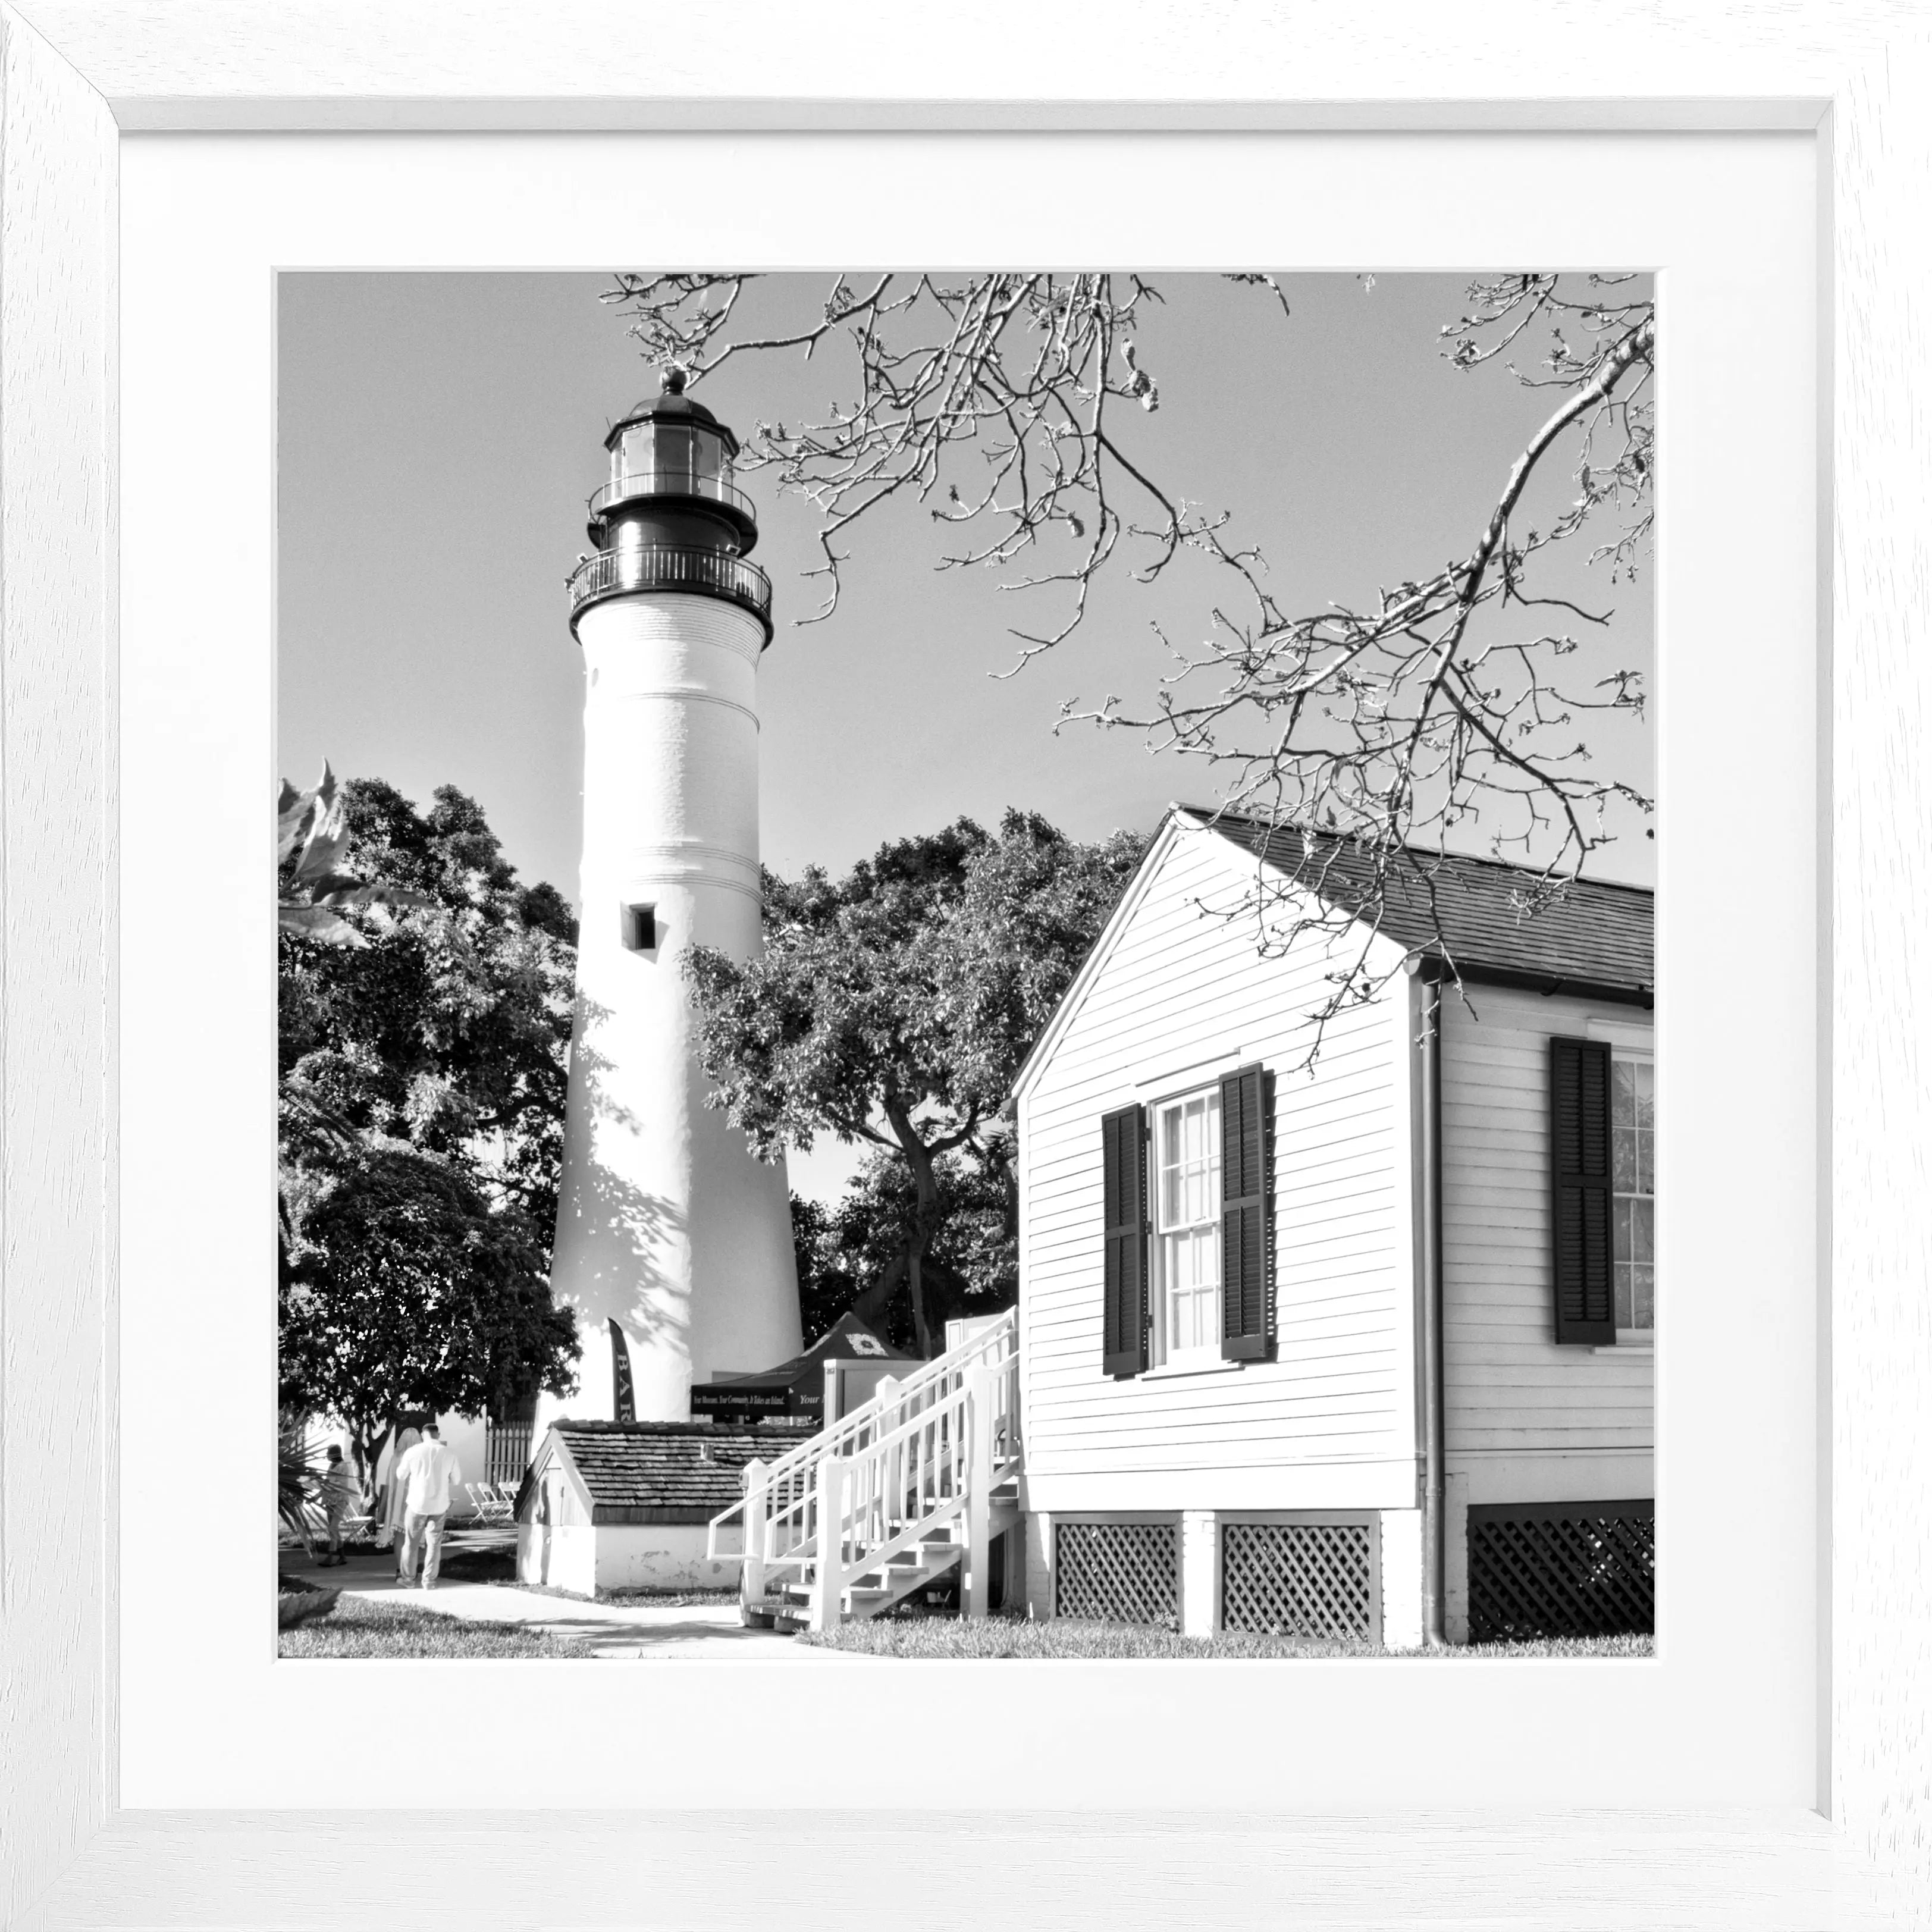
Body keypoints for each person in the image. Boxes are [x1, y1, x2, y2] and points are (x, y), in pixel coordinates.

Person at [392, 1420, 463, 1589]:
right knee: (434, 1544)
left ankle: (408, 1579)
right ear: (438, 1435)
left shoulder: (413, 1451)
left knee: (411, 1543)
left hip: (417, 1504)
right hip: (439, 1505)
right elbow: (456, 1480)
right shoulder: (450, 1453)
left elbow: (401, 1475)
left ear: (423, 1435)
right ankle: (429, 1581)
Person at [378, 1423, 420, 1567]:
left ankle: (400, 1568)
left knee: (399, 1535)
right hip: (414, 1500)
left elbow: (390, 1480)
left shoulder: (395, 1457)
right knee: (413, 1535)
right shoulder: (419, 1458)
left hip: (397, 1500)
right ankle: (411, 1568)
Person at [317, 1444, 357, 1567]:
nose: (327, 1455)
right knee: (333, 1529)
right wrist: (317, 1496)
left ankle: (330, 1557)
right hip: (329, 1501)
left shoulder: (343, 1466)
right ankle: (342, 1557)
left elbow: (336, 1484)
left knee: (333, 1528)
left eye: (328, 1453)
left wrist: (323, 1481)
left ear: (334, 1454)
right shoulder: (332, 1466)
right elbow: (327, 1484)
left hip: (340, 1501)